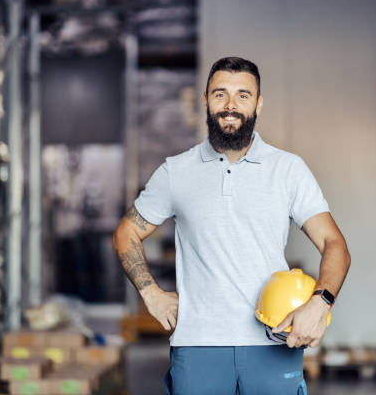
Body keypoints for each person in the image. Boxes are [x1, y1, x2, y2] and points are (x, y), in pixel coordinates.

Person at [112, 57, 351, 395]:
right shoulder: (176, 172)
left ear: (258, 103)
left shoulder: (288, 170)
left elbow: (334, 245)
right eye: (220, 94)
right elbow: (126, 232)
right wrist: (150, 293)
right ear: (205, 100)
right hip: (198, 345)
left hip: (273, 341)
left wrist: (320, 302)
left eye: (243, 95)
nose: (230, 105)